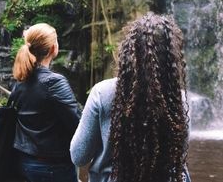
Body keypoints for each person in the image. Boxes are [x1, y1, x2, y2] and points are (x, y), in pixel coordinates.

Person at [70, 13, 191, 182]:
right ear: (171, 56)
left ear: (129, 51)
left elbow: (79, 156)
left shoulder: (102, 93)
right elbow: (181, 152)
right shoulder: (179, 98)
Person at [10, 23, 81, 182]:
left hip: (23, 161)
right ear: (52, 49)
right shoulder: (54, 82)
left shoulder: (20, 81)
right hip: (52, 167)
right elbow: (77, 123)